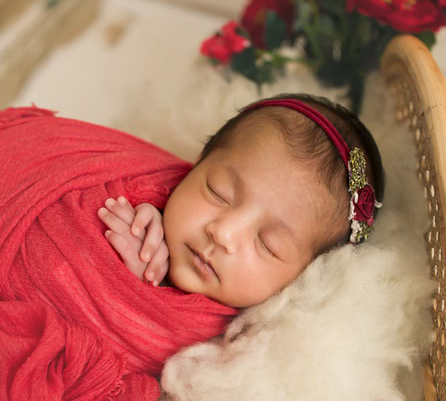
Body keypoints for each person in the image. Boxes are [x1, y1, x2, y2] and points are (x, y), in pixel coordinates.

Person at [97, 93, 385, 308]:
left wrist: (145, 292)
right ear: (197, 163)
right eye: (217, 192)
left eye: (268, 245)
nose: (222, 233)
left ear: (303, 278)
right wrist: (145, 211)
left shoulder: (250, 350)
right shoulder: (137, 200)